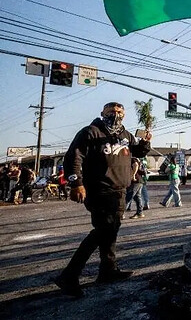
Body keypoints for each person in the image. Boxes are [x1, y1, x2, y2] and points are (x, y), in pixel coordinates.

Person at [54, 102, 152, 298]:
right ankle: (69, 275)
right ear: (102, 113)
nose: (115, 115)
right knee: (102, 230)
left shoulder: (125, 135)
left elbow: (138, 153)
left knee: (111, 230)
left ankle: (108, 269)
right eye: (111, 112)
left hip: (120, 191)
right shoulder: (91, 132)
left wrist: (145, 142)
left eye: (119, 112)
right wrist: (76, 183)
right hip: (99, 190)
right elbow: (74, 157)